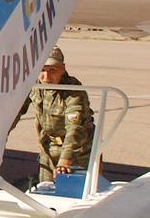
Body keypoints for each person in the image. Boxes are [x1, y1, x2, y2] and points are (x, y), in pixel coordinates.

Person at [17, 46, 95, 183]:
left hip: (77, 153)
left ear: (62, 68)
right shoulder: (35, 84)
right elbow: (15, 112)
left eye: (52, 70)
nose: (46, 77)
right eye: (42, 70)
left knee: (73, 195)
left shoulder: (73, 91)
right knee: (45, 191)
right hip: (49, 149)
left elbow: (75, 128)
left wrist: (65, 160)